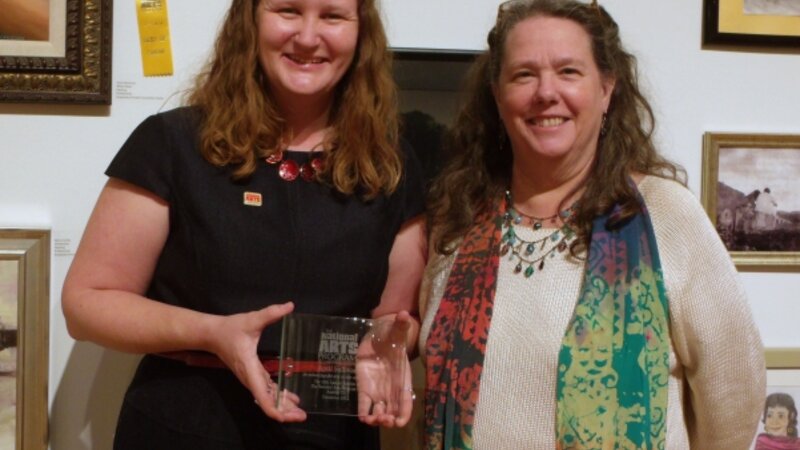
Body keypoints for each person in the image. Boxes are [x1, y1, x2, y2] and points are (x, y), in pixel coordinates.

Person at [61, 0, 426, 448]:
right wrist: (212, 333)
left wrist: (389, 344)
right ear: (248, 21)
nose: (309, 36)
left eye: (333, 16)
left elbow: (395, 319)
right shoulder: (171, 143)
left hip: (334, 433)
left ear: (361, 32)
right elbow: (87, 304)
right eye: (287, 10)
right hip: (185, 428)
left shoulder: (391, 163)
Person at [418, 0, 765, 449]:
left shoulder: (665, 217)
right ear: (498, 94)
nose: (546, 92)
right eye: (524, 74)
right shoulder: (459, 221)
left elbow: (733, 395)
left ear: (606, 88)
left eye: (568, 72)